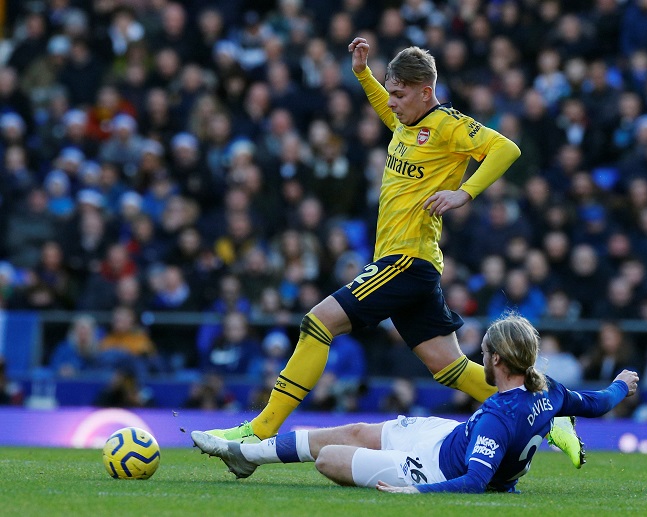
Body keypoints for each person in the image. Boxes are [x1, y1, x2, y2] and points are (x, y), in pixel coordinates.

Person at [204, 36, 583, 466]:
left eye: (400, 93)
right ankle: (549, 410)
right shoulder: (408, 125)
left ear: (426, 92)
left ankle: (259, 431)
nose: (394, 102)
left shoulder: (447, 125)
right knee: (451, 369)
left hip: (405, 259)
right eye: (392, 92)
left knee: (318, 322)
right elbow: (388, 111)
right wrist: (363, 74)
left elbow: (505, 148)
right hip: (415, 266)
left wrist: (465, 193)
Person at [192, 315, 639, 493]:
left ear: (498, 359)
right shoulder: (549, 391)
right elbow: (596, 404)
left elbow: (475, 482)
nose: (477, 358)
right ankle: (245, 455)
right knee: (354, 432)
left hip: (434, 469)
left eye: (482, 352)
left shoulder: (500, 419)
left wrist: (414, 492)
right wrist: (622, 384)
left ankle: (247, 454)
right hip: (446, 438)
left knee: (329, 459)